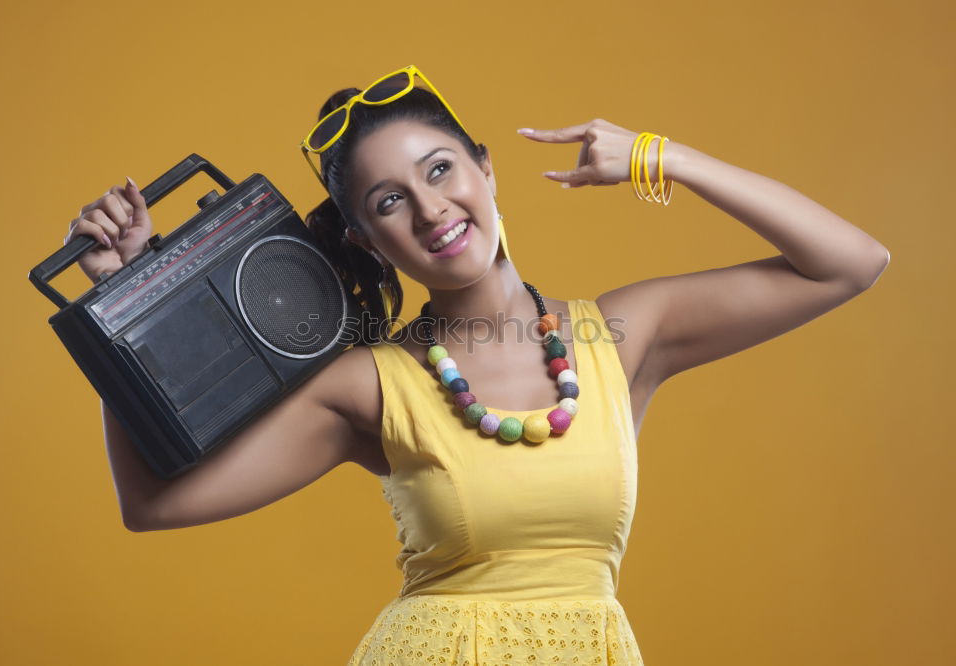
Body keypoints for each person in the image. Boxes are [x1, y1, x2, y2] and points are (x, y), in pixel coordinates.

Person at [61, 65, 890, 664]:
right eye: (389, 202)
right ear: (363, 240)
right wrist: (126, 308)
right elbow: (155, 504)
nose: (430, 210)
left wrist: (660, 156)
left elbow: (848, 262)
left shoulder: (623, 338)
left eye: (440, 169)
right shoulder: (373, 384)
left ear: (485, 170)